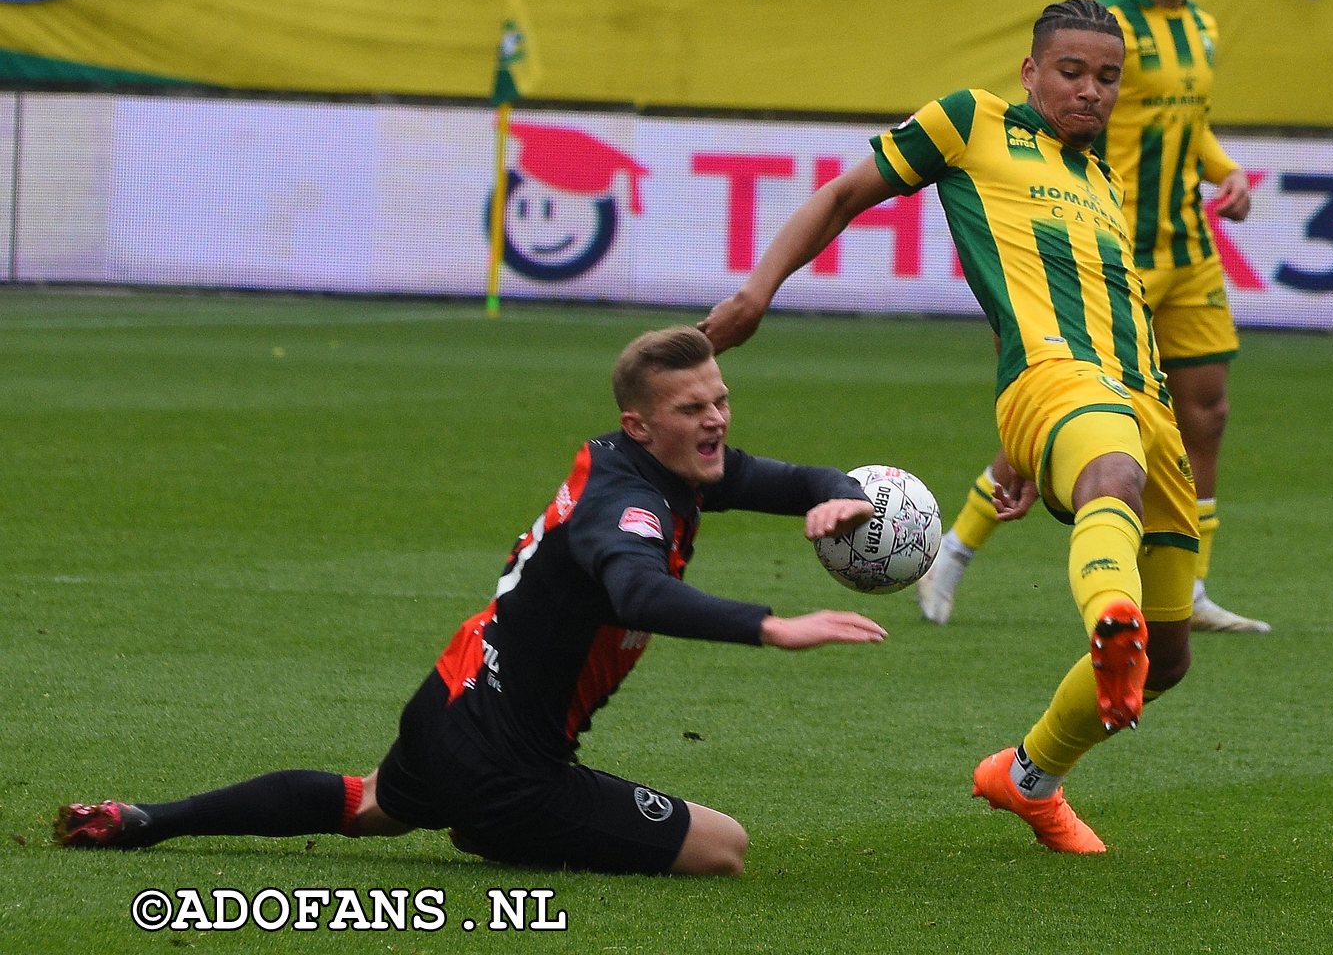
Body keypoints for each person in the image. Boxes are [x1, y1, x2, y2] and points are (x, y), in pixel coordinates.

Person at [56, 328, 888, 877]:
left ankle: (145, 820)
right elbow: (638, 588)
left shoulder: (656, 464)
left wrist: (840, 498)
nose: (714, 421)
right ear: (639, 425)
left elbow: (795, 478)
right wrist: (771, 627)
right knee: (725, 849)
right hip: (508, 769)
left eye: (719, 401)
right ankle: (495, 832)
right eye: (691, 409)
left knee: (368, 804)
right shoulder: (623, 509)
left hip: (450, 698)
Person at [704, 0, 1201, 855]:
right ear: (1031, 72)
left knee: (1173, 656)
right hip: (1055, 382)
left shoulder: (1102, 182)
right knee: (1109, 482)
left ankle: (1029, 776)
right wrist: (758, 290)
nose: (1090, 91)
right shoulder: (970, 121)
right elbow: (843, 195)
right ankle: (1107, 614)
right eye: (1072, 73)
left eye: (1108, 78)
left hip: (1142, 403)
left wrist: (1015, 456)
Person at [919, 0, 1260, 633]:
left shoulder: (1202, 26)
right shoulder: (1106, 26)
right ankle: (959, 546)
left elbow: (1191, 120)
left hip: (1189, 244)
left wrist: (1224, 171)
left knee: (1205, 413)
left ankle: (1191, 587)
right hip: (1110, 247)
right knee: (1088, 410)